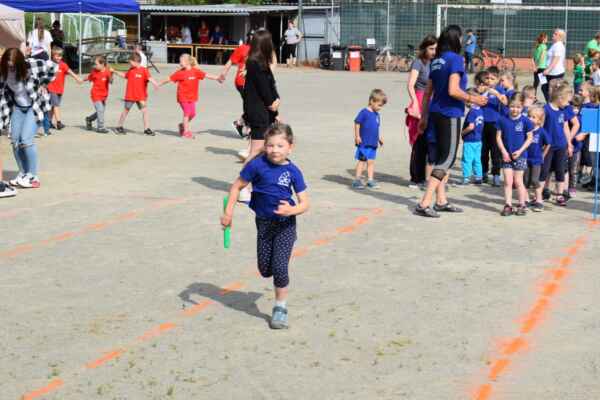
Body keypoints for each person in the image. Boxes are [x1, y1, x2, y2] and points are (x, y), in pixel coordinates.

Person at [221, 123, 309, 330]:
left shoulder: (293, 171)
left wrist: (291, 210)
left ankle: (280, 308)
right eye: (270, 145)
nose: (274, 150)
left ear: (290, 147)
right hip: (263, 224)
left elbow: (305, 203)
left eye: (280, 146)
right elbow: (236, 187)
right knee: (265, 269)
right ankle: (274, 279)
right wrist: (228, 213)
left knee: (279, 267)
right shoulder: (257, 165)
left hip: (285, 225)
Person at [415, 25, 487, 218]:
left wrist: (424, 116)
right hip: (449, 113)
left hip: (435, 112)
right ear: (456, 39)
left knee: (440, 157)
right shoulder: (455, 59)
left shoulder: (436, 60)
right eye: (461, 37)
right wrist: (473, 98)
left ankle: (441, 200)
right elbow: (453, 90)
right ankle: (424, 202)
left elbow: (428, 92)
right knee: (447, 159)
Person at [0, 47, 57, 189]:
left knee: (26, 140)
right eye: (8, 64)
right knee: (15, 141)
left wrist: (44, 83)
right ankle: (23, 173)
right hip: (18, 108)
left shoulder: (31, 65)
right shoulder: (3, 71)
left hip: (34, 107)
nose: (10, 68)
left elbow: (53, 66)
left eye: (13, 65)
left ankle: (33, 176)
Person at [241, 28, 281, 202]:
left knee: (261, 150)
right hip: (258, 111)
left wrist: (276, 108)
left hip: (265, 111)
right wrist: (272, 102)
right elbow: (264, 88)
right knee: (256, 151)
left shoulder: (261, 63)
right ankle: (242, 187)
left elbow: (271, 85)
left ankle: (254, 184)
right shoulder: (255, 64)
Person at [159, 54, 221, 139]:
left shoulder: (196, 71)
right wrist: (158, 83)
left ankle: (182, 125)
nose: (179, 63)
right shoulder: (179, 73)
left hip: (192, 97)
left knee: (193, 114)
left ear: (187, 62)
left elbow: (207, 75)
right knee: (187, 112)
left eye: (181, 61)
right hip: (182, 96)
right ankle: (186, 132)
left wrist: (218, 78)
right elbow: (169, 79)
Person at [496, 93, 534, 216]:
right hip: (506, 156)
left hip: (520, 156)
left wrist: (520, 151)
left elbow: (529, 138)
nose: (515, 109)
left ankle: (522, 204)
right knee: (507, 181)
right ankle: (508, 205)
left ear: (522, 107)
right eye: (512, 106)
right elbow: (498, 137)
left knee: (518, 181)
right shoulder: (502, 119)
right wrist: (503, 152)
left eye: (518, 107)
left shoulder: (526, 121)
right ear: (508, 106)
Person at [406, 35, 437, 187]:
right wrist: (415, 104)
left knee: (428, 141)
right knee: (418, 141)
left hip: (432, 102)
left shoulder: (436, 63)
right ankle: (416, 178)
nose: (433, 51)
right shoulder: (418, 63)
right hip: (419, 99)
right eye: (431, 48)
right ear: (424, 48)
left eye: (436, 49)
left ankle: (425, 177)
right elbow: (410, 85)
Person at [112, 53, 159, 136]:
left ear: (135, 61)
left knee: (145, 111)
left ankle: (147, 129)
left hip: (141, 96)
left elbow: (149, 78)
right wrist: (115, 71)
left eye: (130, 62)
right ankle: (119, 127)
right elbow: (124, 75)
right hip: (130, 95)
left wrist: (155, 83)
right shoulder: (131, 70)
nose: (129, 64)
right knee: (125, 111)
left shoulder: (144, 70)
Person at [540, 84, 572, 206]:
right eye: (567, 101)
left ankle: (559, 195)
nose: (568, 104)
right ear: (560, 98)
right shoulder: (546, 109)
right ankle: (541, 194)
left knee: (560, 170)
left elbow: (565, 127)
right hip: (548, 147)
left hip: (561, 146)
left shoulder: (563, 111)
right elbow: (540, 127)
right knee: (545, 170)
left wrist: (569, 143)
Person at [219, 30, 254, 138]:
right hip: (242, 81)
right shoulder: (242, 48)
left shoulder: (259, 50)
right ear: (248, 37)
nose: (252, 38)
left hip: (254, 82)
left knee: (253, 105)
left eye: (255, 36)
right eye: (251, 36)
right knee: (251, 105)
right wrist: (223, 73)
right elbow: (230, 61)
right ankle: (248, 129)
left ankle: (240, 124)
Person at [352, 89, 387, 190]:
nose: (380, 108)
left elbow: (376, 128)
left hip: (373, 143)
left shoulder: (377, 115)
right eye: (379, 105)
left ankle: (370, 180)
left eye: (381, 106)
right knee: (362, 161)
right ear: (372, 101)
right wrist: (357, 136)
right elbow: (357, 123)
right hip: (364, 142)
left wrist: (379, 137)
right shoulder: (364, 112)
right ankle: (357, 180)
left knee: (371, 162)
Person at [481, 67, 507, 187]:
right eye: (487, 78)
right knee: (483, 150)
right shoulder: (482, 88)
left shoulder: (500, 89)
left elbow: (506, 102)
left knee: (495, 151)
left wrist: (496, 93)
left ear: (497, 79)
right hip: (482, 123)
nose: (489, 80)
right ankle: (484, 172)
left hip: (495, 124)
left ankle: (496, 174)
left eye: (492, 78)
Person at [47, 47, 83, 130]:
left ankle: (48, 122)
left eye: (60, 56)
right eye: (56, 56)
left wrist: (77, 78)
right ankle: (59, 122)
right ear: (53, 56)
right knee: (56, 105)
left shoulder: (63, 65)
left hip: (60, 89)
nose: (58, 57)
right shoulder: (50, 64)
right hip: (51, 89)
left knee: (53, 106)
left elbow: (70, 72)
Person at [524, 106, 550, 212]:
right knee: (525, 180)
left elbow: (548, 143)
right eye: (529, 116)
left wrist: (543, 154)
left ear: (539, 120)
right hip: (525, 158)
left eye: (533, 117)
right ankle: (526, 200)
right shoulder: (526, 130)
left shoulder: (541, 131)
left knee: (535, 180)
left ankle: (539, 201)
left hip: (536, 160)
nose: (530, 119)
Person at [461, 88, 484, 185]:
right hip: (478, 139)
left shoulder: (472, 112)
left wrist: (462, 133)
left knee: (467, 159)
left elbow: (471, 126)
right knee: (477, 159)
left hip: (470, 139)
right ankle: (479, 177)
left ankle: (466, 177)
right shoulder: (480, 110)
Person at [84, 56, 113, 134]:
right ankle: (100, 127)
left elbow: (111, 81)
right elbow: (89, 77)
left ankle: (89, 119)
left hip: (103, 95)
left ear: (102, 64)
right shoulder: (94, 71)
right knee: (100, 110)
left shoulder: (107, 72)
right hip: (95, 94)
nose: (94, 66)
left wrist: (112, 73)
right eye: (94, 64)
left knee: (100, 111)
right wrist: (81, 80)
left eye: (96, 64)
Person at [542, 29, 567, 102]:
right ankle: (550, 103)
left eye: (555, 34)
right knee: (544, 87)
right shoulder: (555, 44)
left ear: (560, 36)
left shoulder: (558, 45)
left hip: (555, 73)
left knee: (551, 90)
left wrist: (548, 70)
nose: (553, 35)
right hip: (551, 72)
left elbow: (556, 59)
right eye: (554, 33)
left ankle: (552, 103)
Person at [567, 94, 585, 198]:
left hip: (577, 147)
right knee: (565, 168)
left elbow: (587, 128)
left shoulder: (582, 117)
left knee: (574, 169)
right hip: (565, 146)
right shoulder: (567, 116)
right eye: (573, 107)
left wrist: (583, 134)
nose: (575, 109)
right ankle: (563, 187)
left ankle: (572, 187)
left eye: (577, 107)